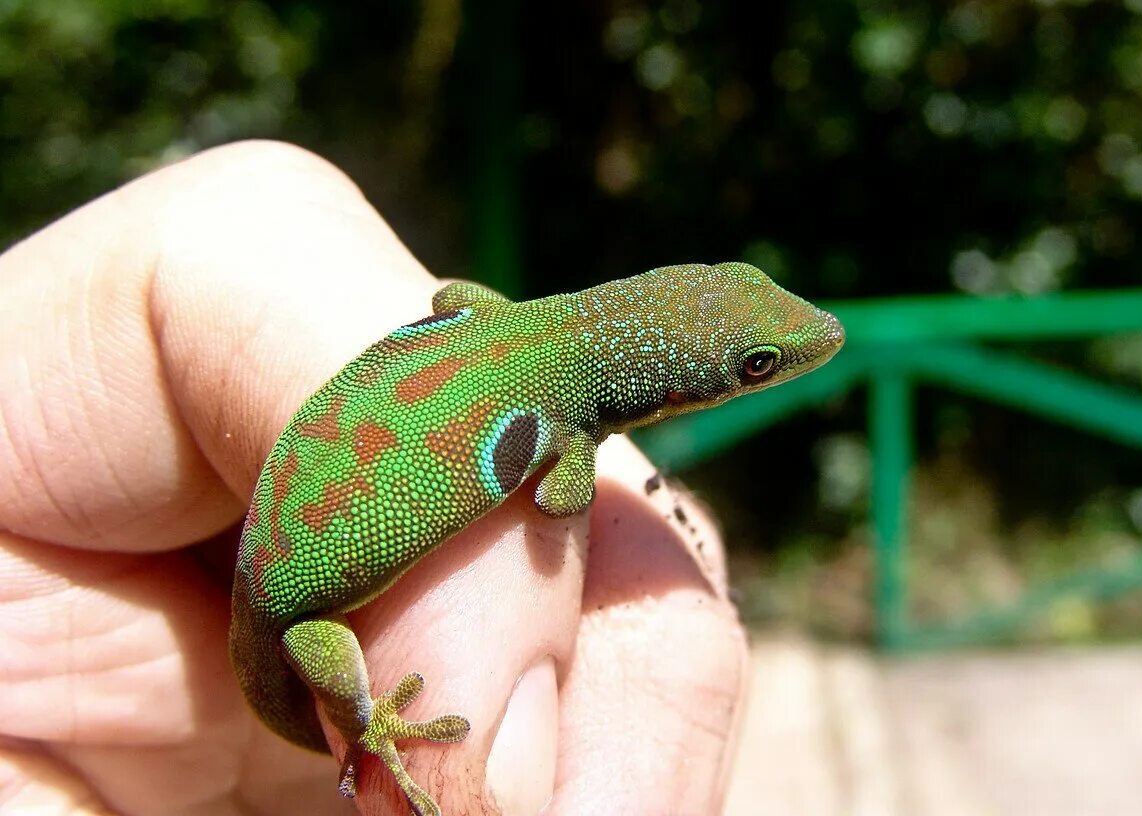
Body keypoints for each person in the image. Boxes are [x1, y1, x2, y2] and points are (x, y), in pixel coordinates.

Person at [0, 141, 748, 815]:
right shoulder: (573, 416)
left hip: (286, 526)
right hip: (295, 620)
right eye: (755, 367)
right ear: (676, 393)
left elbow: (452, 301)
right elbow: (558, 499)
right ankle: (368, 726)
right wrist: (366, 723)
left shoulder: (508, 318)